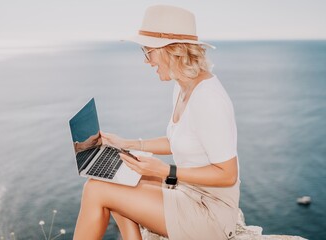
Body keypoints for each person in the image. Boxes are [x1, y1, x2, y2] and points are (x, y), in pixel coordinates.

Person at [73, 5, 240, 240]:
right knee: (116, 176)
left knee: (95, 189)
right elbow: (177, 142)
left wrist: (165, 170)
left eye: (147, 51)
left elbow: (227, 175)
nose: (146, 61)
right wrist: (126, 142)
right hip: (189, 191)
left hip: (209, 212)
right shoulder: (184, 85)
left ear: (171, 51)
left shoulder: (208, 98)